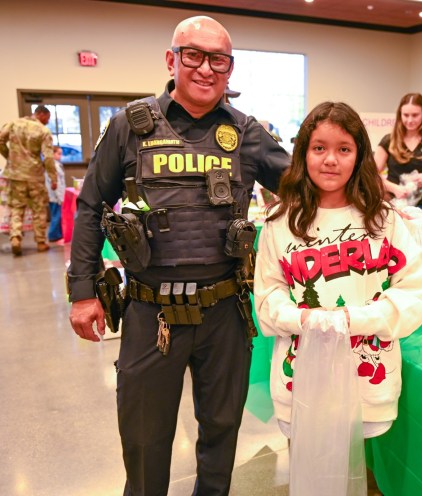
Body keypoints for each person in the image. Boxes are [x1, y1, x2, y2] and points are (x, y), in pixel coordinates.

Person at [66, 16, 289, 496]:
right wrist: (83, 292)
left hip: (225, 312)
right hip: (151, 311)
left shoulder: (247, 133)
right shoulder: (130, 125)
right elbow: (90, 207)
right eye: (194, 55)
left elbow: (303, 185)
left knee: (221, 433)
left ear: (230, 69)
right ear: (172, 60)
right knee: (145, 442)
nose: (206, 69)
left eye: (219, 60)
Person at [253, 102, 422, 490]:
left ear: (360, 155)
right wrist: (304, 319)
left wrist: (354, 320)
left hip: (369, 375)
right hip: (300, 376)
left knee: (364, 476)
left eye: (344, 149)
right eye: (319, 148)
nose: (330, 160)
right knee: (311, 469)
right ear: (303, 153)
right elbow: (267, 298)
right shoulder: (279, 223)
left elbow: (416, 290)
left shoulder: (383, 220)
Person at [0, 105, 57, 256]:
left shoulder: (14, 123)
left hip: (15, 175)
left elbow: (0, 139)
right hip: (35, 176)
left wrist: (10, 159)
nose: (48, 121)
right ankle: (40, 242)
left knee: (17, 207)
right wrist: (53, 178)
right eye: (48, 118)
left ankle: (15, 238)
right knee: (39, 208)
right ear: (41, 115)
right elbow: (49, 157)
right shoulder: (43, 131)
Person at [374, 93, 422, 213]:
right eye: (406, 115)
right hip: (393, 205)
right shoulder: (388, 141)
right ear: (399, 115)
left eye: (415, 115)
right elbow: (371, 175)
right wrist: (395, 188)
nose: (410, 120)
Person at [46, 145, 66, 243]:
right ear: (52, 154)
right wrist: (60, 198)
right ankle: (53, 235)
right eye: (58, 154)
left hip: (55, 196)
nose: (60, 156)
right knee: (56, 216)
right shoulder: (53, 167)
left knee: (57, 215)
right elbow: (56, 183)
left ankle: (57, 234)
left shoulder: (56, 165)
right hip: (55, 196)